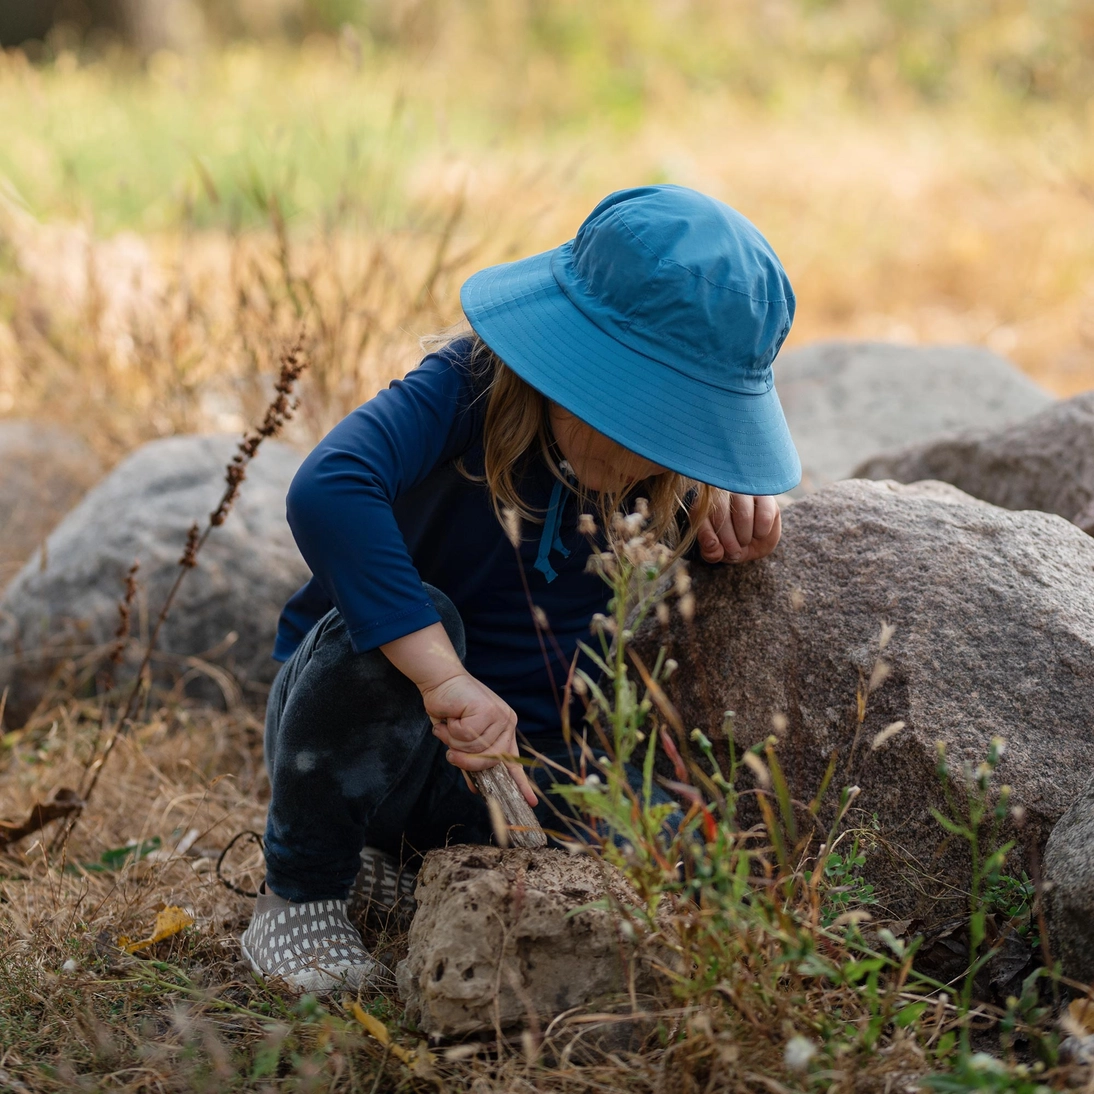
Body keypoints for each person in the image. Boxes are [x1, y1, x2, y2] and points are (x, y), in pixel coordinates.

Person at [240, 184, 801, 992]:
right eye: (637, 416)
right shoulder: (464, 388)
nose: (651, 453)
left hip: (510, 772)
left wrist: (736, 492)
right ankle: (300, 895)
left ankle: (407, 872)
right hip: (366, 732)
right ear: (564, 362)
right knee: (398, 640)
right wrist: (443, 676)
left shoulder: (670, 473)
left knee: (669, 834)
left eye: (684, 428)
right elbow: (329, 486)